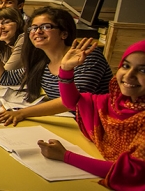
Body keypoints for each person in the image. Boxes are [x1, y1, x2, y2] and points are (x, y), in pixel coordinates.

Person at [37, 39, 145, 190]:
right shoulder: (117, 100)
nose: (129, 75)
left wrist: (65, 156)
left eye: (143, 70)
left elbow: (130, 172)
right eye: (126, 66)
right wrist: (66, 69)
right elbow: (74, 103)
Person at [0, 7, 113, 126]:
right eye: (33, 28)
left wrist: (22, 113)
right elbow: (2, 78)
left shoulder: (84, 56)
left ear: (64, 33)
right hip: (66, 122)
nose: (38, 31)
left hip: (97, 126)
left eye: (46, 27)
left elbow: (73, 101)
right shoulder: (43, 62)